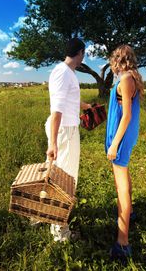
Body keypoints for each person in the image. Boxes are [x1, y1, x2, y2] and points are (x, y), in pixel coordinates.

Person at [45, 38, 91, 242]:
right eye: (84, 53)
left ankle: (44, 213)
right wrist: (53, 143)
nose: (84, 57)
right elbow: (57, 110)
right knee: (65, 181)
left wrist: (86, 107)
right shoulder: (64, 73)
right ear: (80, 52)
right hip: (64, 131)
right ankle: (60, 232)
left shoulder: (66, 72)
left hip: (64, 129)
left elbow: (68, 99)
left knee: (55, 176)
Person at [105, 44, 144, 261]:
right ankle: (129, 214)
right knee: (124, 179)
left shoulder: (126, 79)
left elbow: (126, 116)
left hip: (122, 137)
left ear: (118, 59)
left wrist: (114, 145)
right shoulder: (130, 77)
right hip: (124, 135)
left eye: (113, 60)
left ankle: (123, 243)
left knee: (121, 188)